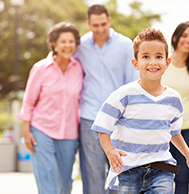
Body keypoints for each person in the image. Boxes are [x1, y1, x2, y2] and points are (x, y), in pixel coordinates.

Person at [92, 28, 189, 193]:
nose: (153, 62)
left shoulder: (173, 99)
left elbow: (174, 133)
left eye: (159, 56)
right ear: (135, 63)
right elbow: (102, 126)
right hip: (128, 169)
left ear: (167, 62)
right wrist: (110, 151)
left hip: (161, 168)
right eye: (145, 56)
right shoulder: (123, 95)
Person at [73, 4, 139, 194]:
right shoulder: (81, 46)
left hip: (117, 121)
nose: (100, 29)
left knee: (119, 173)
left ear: (109, 21)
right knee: (92, 173)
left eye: (103, 24)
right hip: (89, 117)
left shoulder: (125, 45)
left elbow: (132, 83)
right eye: (95, 25)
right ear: (88, 24)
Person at [17, 22, 82, 194]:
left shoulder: (79, 68)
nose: (67, 45)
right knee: (47, 181)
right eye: (63, 41)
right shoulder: (40, 68)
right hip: (41, 130)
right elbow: (28, 101)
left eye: (71, 41)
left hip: (69, 133)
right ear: (54, 44)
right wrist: (26, 130)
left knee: (65, 183)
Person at [162, 21, 189, 194]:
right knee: (162, 176)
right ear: (175, 38)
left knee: (182, 176)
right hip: (163, 129)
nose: (188, 40)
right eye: (185, 36)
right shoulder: (162, 62)